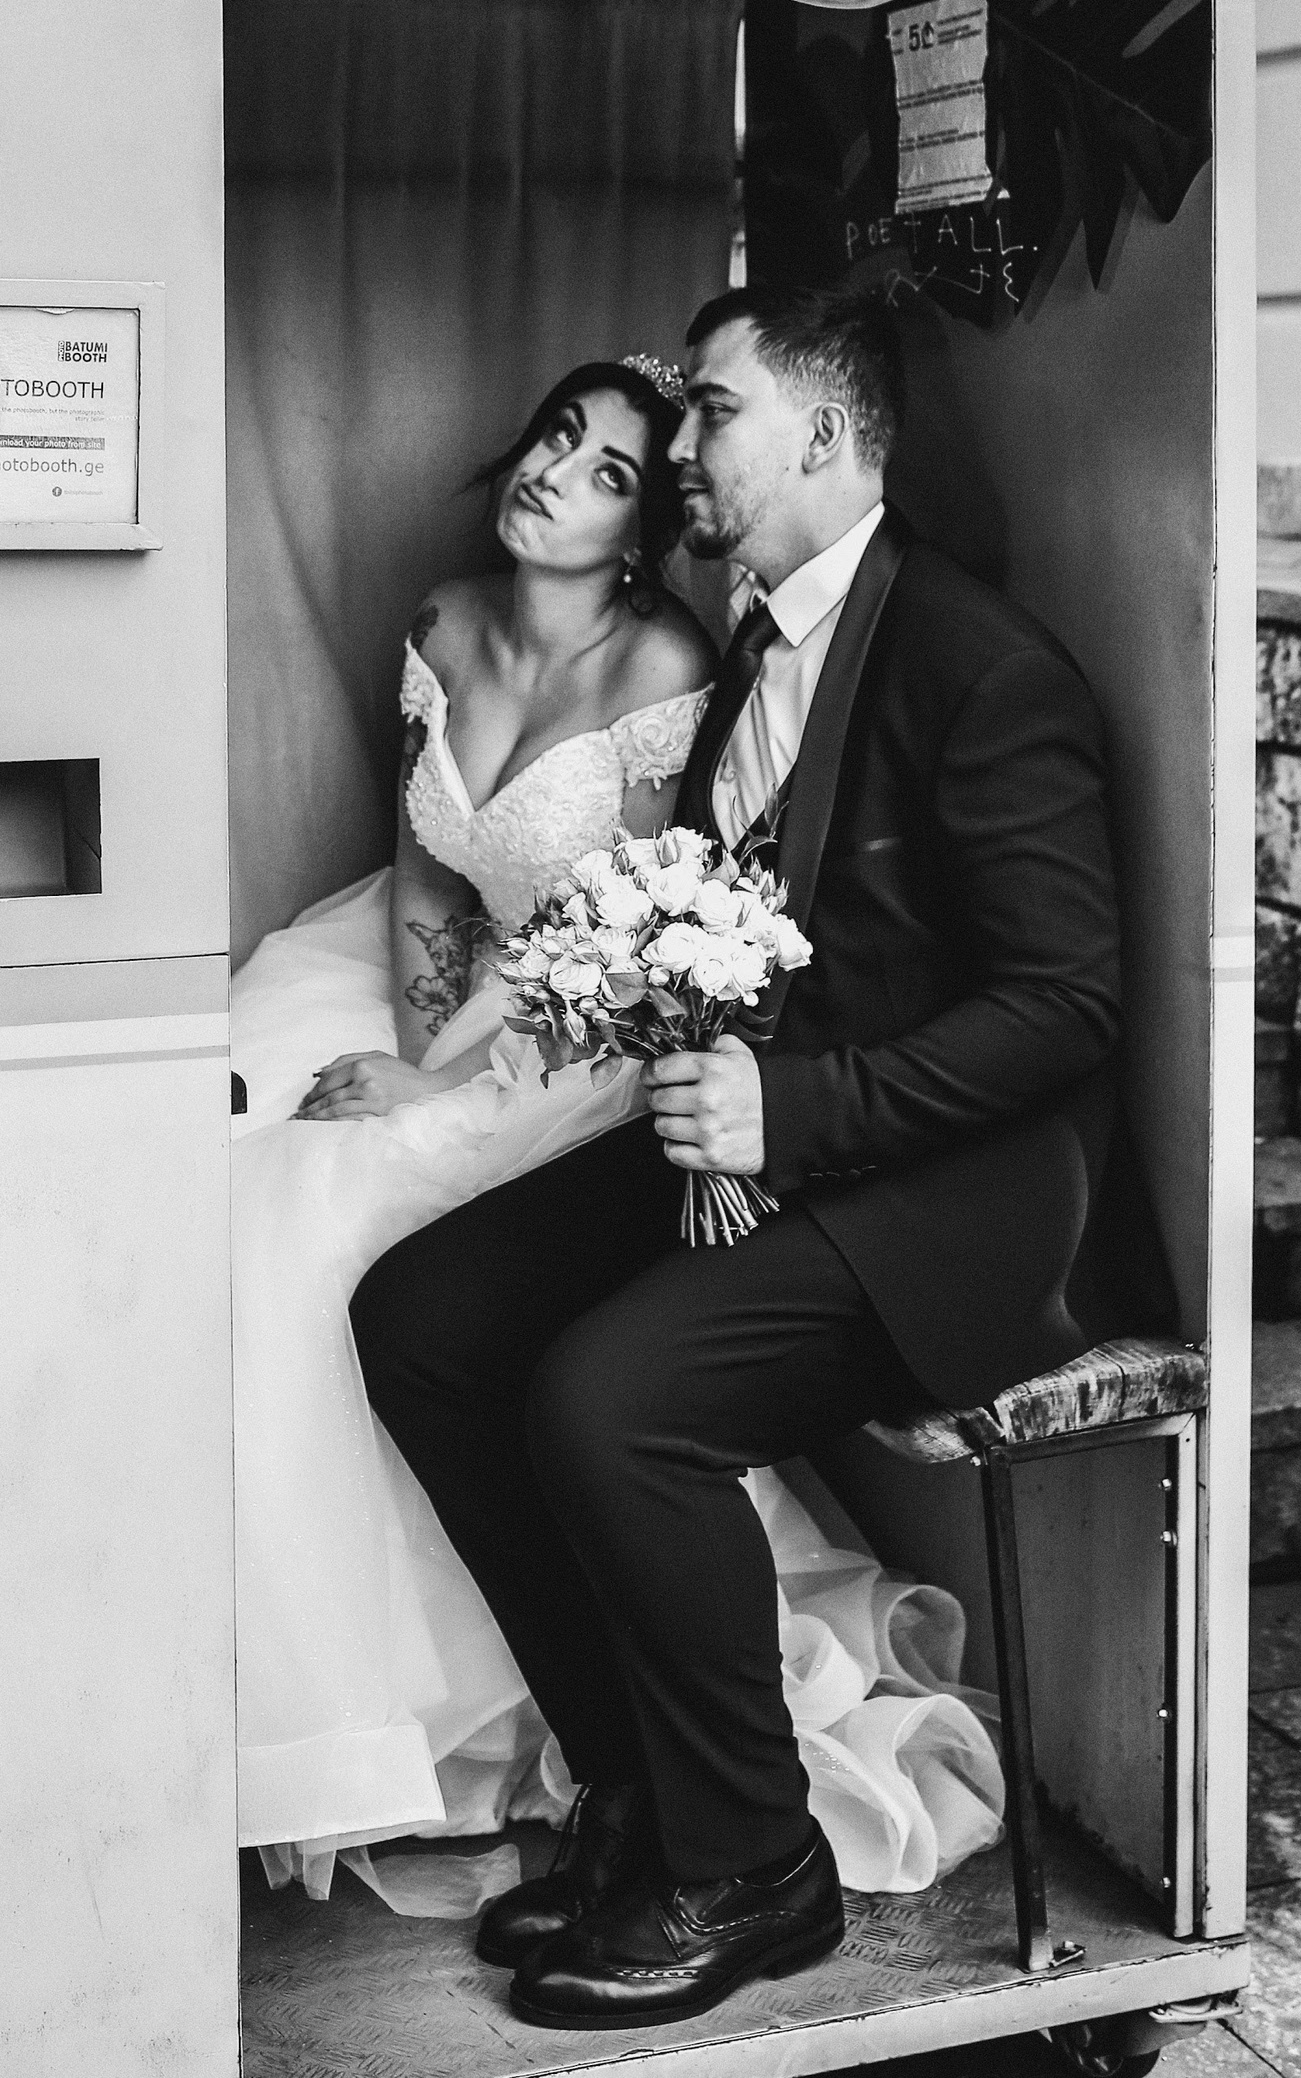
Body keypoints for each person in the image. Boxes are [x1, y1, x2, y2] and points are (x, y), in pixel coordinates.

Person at [353, 285, 1132, 2028]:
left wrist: (803, 1114)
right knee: (425, 1319)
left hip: (953, 1205)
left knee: (612, 1399)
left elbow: (1068, 1006)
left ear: (829, 436)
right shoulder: (753, 650)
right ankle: (637, 1790)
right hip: (769, 1158)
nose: (682, 446)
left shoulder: (981, 666)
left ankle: (752, 1863)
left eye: (712, 413)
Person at [229, 351, 1004, 1915]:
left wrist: (453, 1091)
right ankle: (421, 1731)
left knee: (350, 1238)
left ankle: (574, 1771)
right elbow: (434, 876)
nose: (554, 472)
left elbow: (636, 933)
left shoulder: (677, 668)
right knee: (252, 1172)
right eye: (555, 436)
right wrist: (416, 1048)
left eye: (611, 469)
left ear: (645, 532)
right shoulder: (447, 623)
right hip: (457, 986)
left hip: (593, 1033)